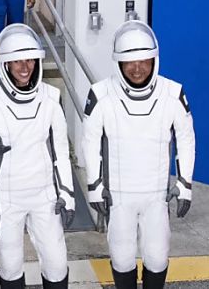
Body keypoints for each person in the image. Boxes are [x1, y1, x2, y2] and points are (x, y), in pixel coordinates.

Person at [81, 20, 196, 289]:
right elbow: (90, 141)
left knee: (157, 258)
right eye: (129, 61)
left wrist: (185, 184)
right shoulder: (100, 95)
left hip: (156, 195)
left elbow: (186, 138)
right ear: (118, 63)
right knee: (121, 260)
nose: (137, 68)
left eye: (143, 60)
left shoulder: (172, 93)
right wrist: (94, 186)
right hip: (119, 196)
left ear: (154, 59)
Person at [0, 23, 74, 289]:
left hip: (45, 195)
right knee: (11, 267)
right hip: (7, 197)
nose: (25, 67)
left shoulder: (51, 97)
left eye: (30, 60)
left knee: (57, 265)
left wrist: (67, 194)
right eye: (17, 61)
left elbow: (60, 153)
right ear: (5, 65)